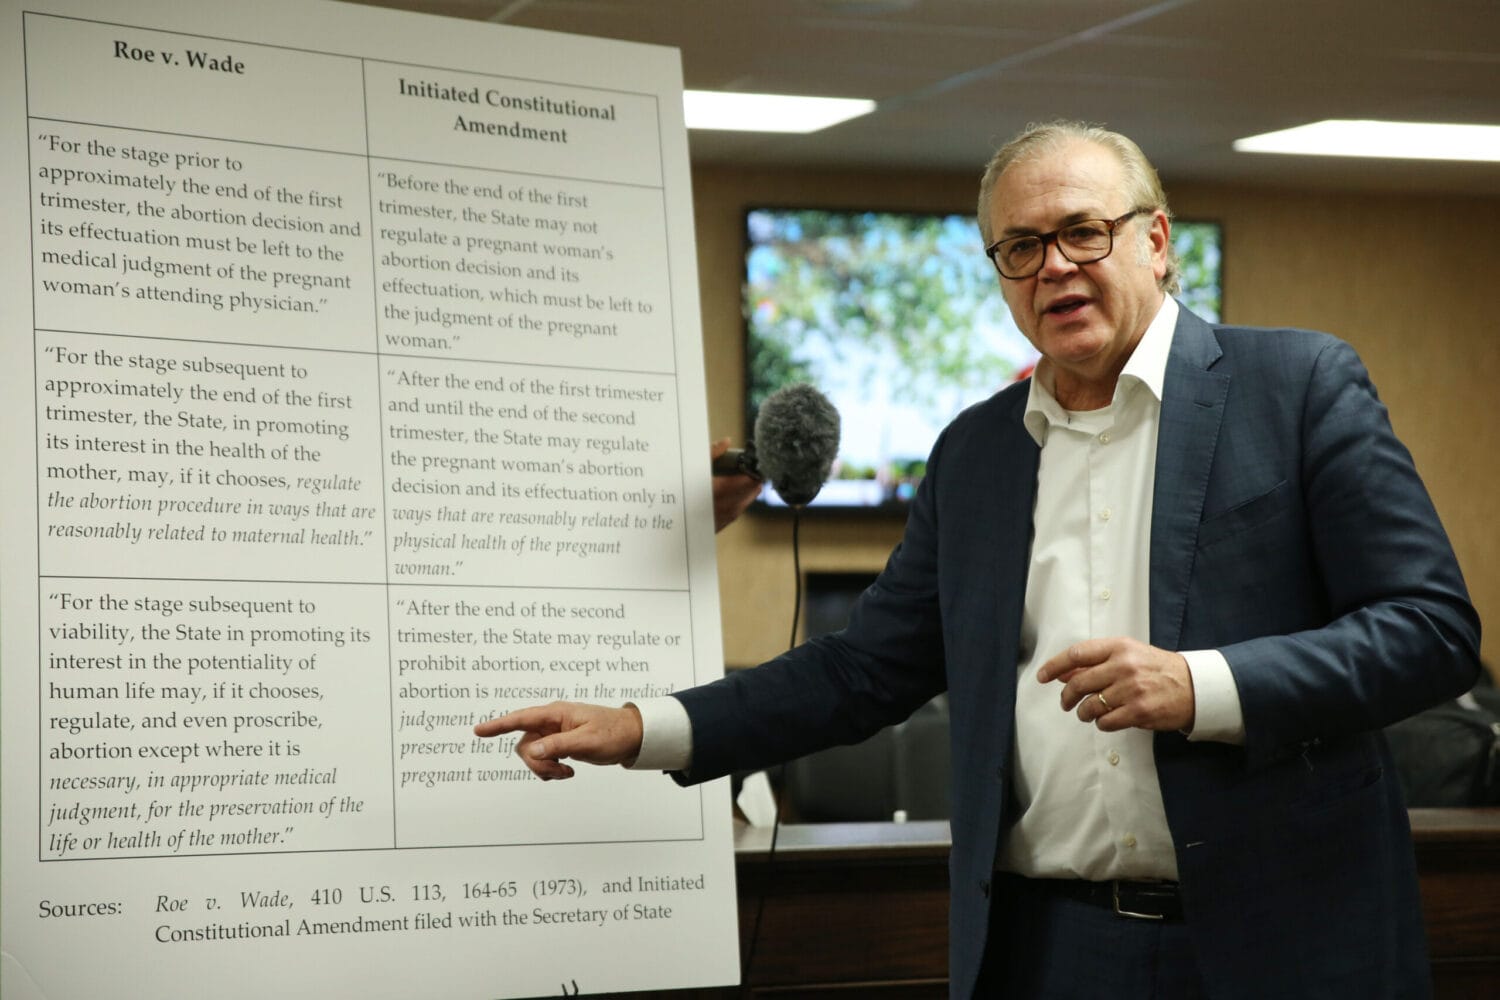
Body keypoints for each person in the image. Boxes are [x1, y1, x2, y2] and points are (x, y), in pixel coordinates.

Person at [476, 121, 1480, 999]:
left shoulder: (1294, 386)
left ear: (1157, 241)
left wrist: (1201, 684)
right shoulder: (977, 450)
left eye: (1083, 230)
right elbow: (864, 667)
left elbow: (1430, 629)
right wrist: (649, 724)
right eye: (1020, 246)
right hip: (1047, 949)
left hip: (1281, 942)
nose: (1054, 266)